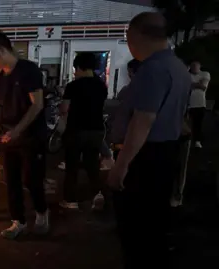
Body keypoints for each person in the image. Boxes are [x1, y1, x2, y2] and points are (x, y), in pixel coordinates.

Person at [107, 12, 191, 269]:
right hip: (165, 154)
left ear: (137, 36)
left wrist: (120, 166)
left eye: (128, 38)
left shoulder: (153, 69)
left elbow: (143, 121)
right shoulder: (178, 67)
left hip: (144, 158)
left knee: (136, 230)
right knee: (153, 226)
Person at [0, 31, 49, 239]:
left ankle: (41, 212)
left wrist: (17, 130)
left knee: (31, 179)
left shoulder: (28, 71)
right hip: (8, 138)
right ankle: (17, 221)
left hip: (31, 136)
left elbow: (37, 104)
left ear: (1, 51)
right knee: (11, 180)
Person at [59, 53, 108, 210]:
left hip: (76, 130)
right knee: (92, 164)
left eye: (76, 69)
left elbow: (64, 109)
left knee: (72, 166)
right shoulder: (101, 86)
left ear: (79, 67)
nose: (75, 72)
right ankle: (97, 194)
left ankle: (70, 200)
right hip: (96, 130)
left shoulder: (73, 86)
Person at [110, 59, 141, 159]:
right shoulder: (151, 91)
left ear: (132, 72)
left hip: (124, 137)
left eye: (129, 72)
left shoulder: (127, 91)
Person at [188, 60, 211, 148]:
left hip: (199, 103)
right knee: (188, 122)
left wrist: (192, 84)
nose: (193, 67)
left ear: (199, 66)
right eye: (192, 65)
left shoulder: (205, 74)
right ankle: (189, 139)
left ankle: (197, 141)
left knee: (198, 123)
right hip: (188, 103)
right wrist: (197, 83)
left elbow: (203, 87)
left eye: (195, 65)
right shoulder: (188, 75)